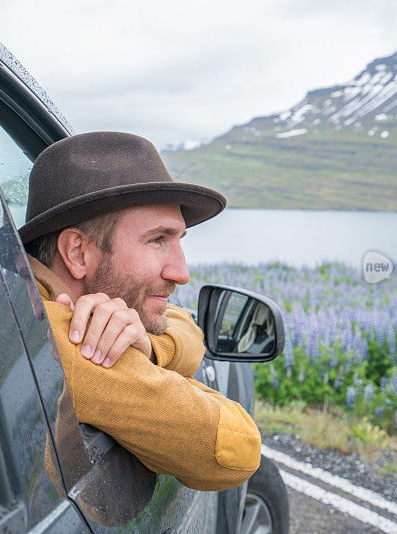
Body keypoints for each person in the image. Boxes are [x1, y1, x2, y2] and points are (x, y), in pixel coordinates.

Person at [19, 131, 261, 492]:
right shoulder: (68, 342)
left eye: (178, 241)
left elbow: (185, 325)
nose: (181, 272)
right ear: (77, 253)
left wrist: (149, 348)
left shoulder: (20, 301)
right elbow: (239, 450)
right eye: (157, 240)